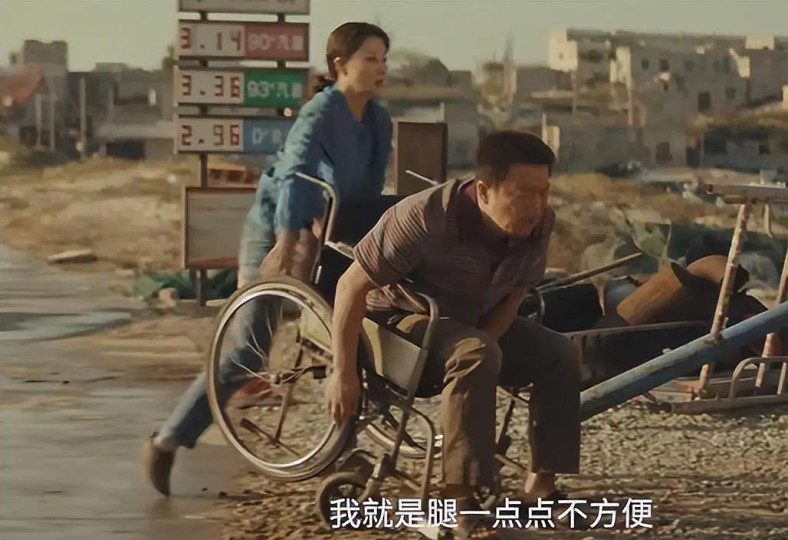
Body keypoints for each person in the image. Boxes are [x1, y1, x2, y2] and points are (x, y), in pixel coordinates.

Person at [142, 21, 395, 497]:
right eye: (370, 59)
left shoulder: (378, 121)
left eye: (384, 59)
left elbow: (370, 189)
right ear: (340, 65)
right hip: (277, 228)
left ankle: (349, 447)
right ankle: (168, 438)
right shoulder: (321, 113)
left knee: (355, 332)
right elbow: (296, 175)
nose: (380, 68)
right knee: (250, 349)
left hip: (330, 230)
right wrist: (288, 239)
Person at [327, 130, 581, 538]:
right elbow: (350, 287)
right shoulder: (424, 218)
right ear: (483, 191)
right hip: (401, 320)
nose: (537, 207)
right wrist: (342, 372)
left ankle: (541, 487)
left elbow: (516, 294)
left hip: (472, 320)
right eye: (522, 195)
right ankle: (459, 497)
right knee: (475, 352)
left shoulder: (540, 223)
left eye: (544, 192)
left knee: (560, 353)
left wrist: (487, 345)